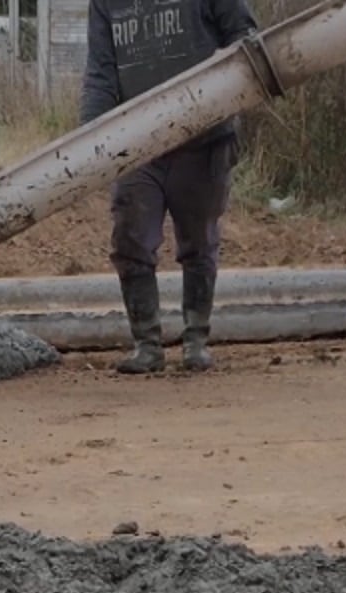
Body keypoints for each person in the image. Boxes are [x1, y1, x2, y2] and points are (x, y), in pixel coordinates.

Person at [79, 0, 257, 374]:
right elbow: (101, 72)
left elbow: (245, 41)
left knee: (199, 241)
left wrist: (223, 102)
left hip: (204, 139)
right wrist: (91, 141)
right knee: (131, 240)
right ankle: (147, 346)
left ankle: (196, 341)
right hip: (138, 143)